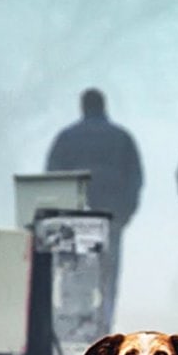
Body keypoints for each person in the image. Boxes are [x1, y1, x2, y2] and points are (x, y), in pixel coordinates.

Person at [46, 88, 143, 334]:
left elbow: (52, 178)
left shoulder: (66, 138)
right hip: (112, 216)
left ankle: (77, 325)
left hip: (74, 219)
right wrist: (127, 212)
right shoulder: (122, 138)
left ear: (82, 107)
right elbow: (135, 178)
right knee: (108, 276)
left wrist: (58, 214)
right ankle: (104, 325)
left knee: (75, 273)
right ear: (104, 105)